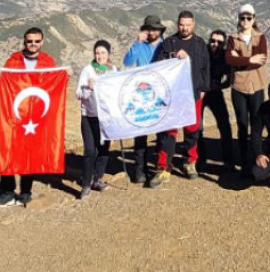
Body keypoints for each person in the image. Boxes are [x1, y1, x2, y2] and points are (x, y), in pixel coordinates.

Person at [0, 27, 56, 206]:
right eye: (29, 41)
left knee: (30, 153)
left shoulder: (48, 62)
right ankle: (7, 190)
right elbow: (2, 89)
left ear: (42, 42)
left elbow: (53, 88)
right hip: (14, 115)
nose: (33, 44)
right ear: (24, 42)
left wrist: (64, 78)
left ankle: (26, 190)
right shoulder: (13, 61)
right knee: (8, 149)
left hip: (35, 117)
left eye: (36, 41)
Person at [150, 11, 209, 186]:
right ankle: (163, 168)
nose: (184, 28)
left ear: (194, 25)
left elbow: (206, 67)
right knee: (169, 132)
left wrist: (204, 88)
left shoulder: (200, 44)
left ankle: (190, 162)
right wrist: (172, 56)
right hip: (173, 96)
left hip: (194, 94)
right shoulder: (169, 43)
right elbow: (157, 65)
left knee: (193, 130)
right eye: (182, 24)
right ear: (178, 24)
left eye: (188, 24)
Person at [225, 4, 268, 176]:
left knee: (256, 125)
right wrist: (250, 59)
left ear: (254, 19)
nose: (245, 21)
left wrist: (240, 59)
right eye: (242, 18)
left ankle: (257, 156)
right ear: (238, 19)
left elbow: (262, 59)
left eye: (249, 18)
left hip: (256, 86)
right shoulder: (232, 38)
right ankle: (244, 160)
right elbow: (229, 59)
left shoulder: (261, 38)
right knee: (242, 125)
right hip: (239, 87)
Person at [123, 15, 165, 184]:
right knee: (141, 133)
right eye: (149, 29)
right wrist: (137, 42)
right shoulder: (140, 46)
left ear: (160, 30)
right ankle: (139, 170)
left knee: (161, 134)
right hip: (142, 95)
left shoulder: (166, 46)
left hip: (160, 94)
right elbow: (127, 61)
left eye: (155, 28)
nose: (152, 32)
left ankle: (158, 168)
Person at [75, 40, 117, 199]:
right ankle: (85, 184)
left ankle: (98, 179)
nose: (99, 56)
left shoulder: (113, 70)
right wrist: (88, 88)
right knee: (90, 151)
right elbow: (78, 94)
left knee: (104, 149)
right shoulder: (88, 70)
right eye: (97, 53)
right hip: (89, 116)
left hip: (106, 117)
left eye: (103, 53)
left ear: (108, 54)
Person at [201, 30, 233, 170]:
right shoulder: (202, 53)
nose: (215, 44)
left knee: (224, 125)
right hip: (200, 93)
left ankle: (228, 159)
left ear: (223, 44)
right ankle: (200, 158)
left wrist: (219, 85)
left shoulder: (226, 57)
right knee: (197, 127)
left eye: (219, 42)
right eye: (213, 41)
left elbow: (230, 78)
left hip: (215, 93)